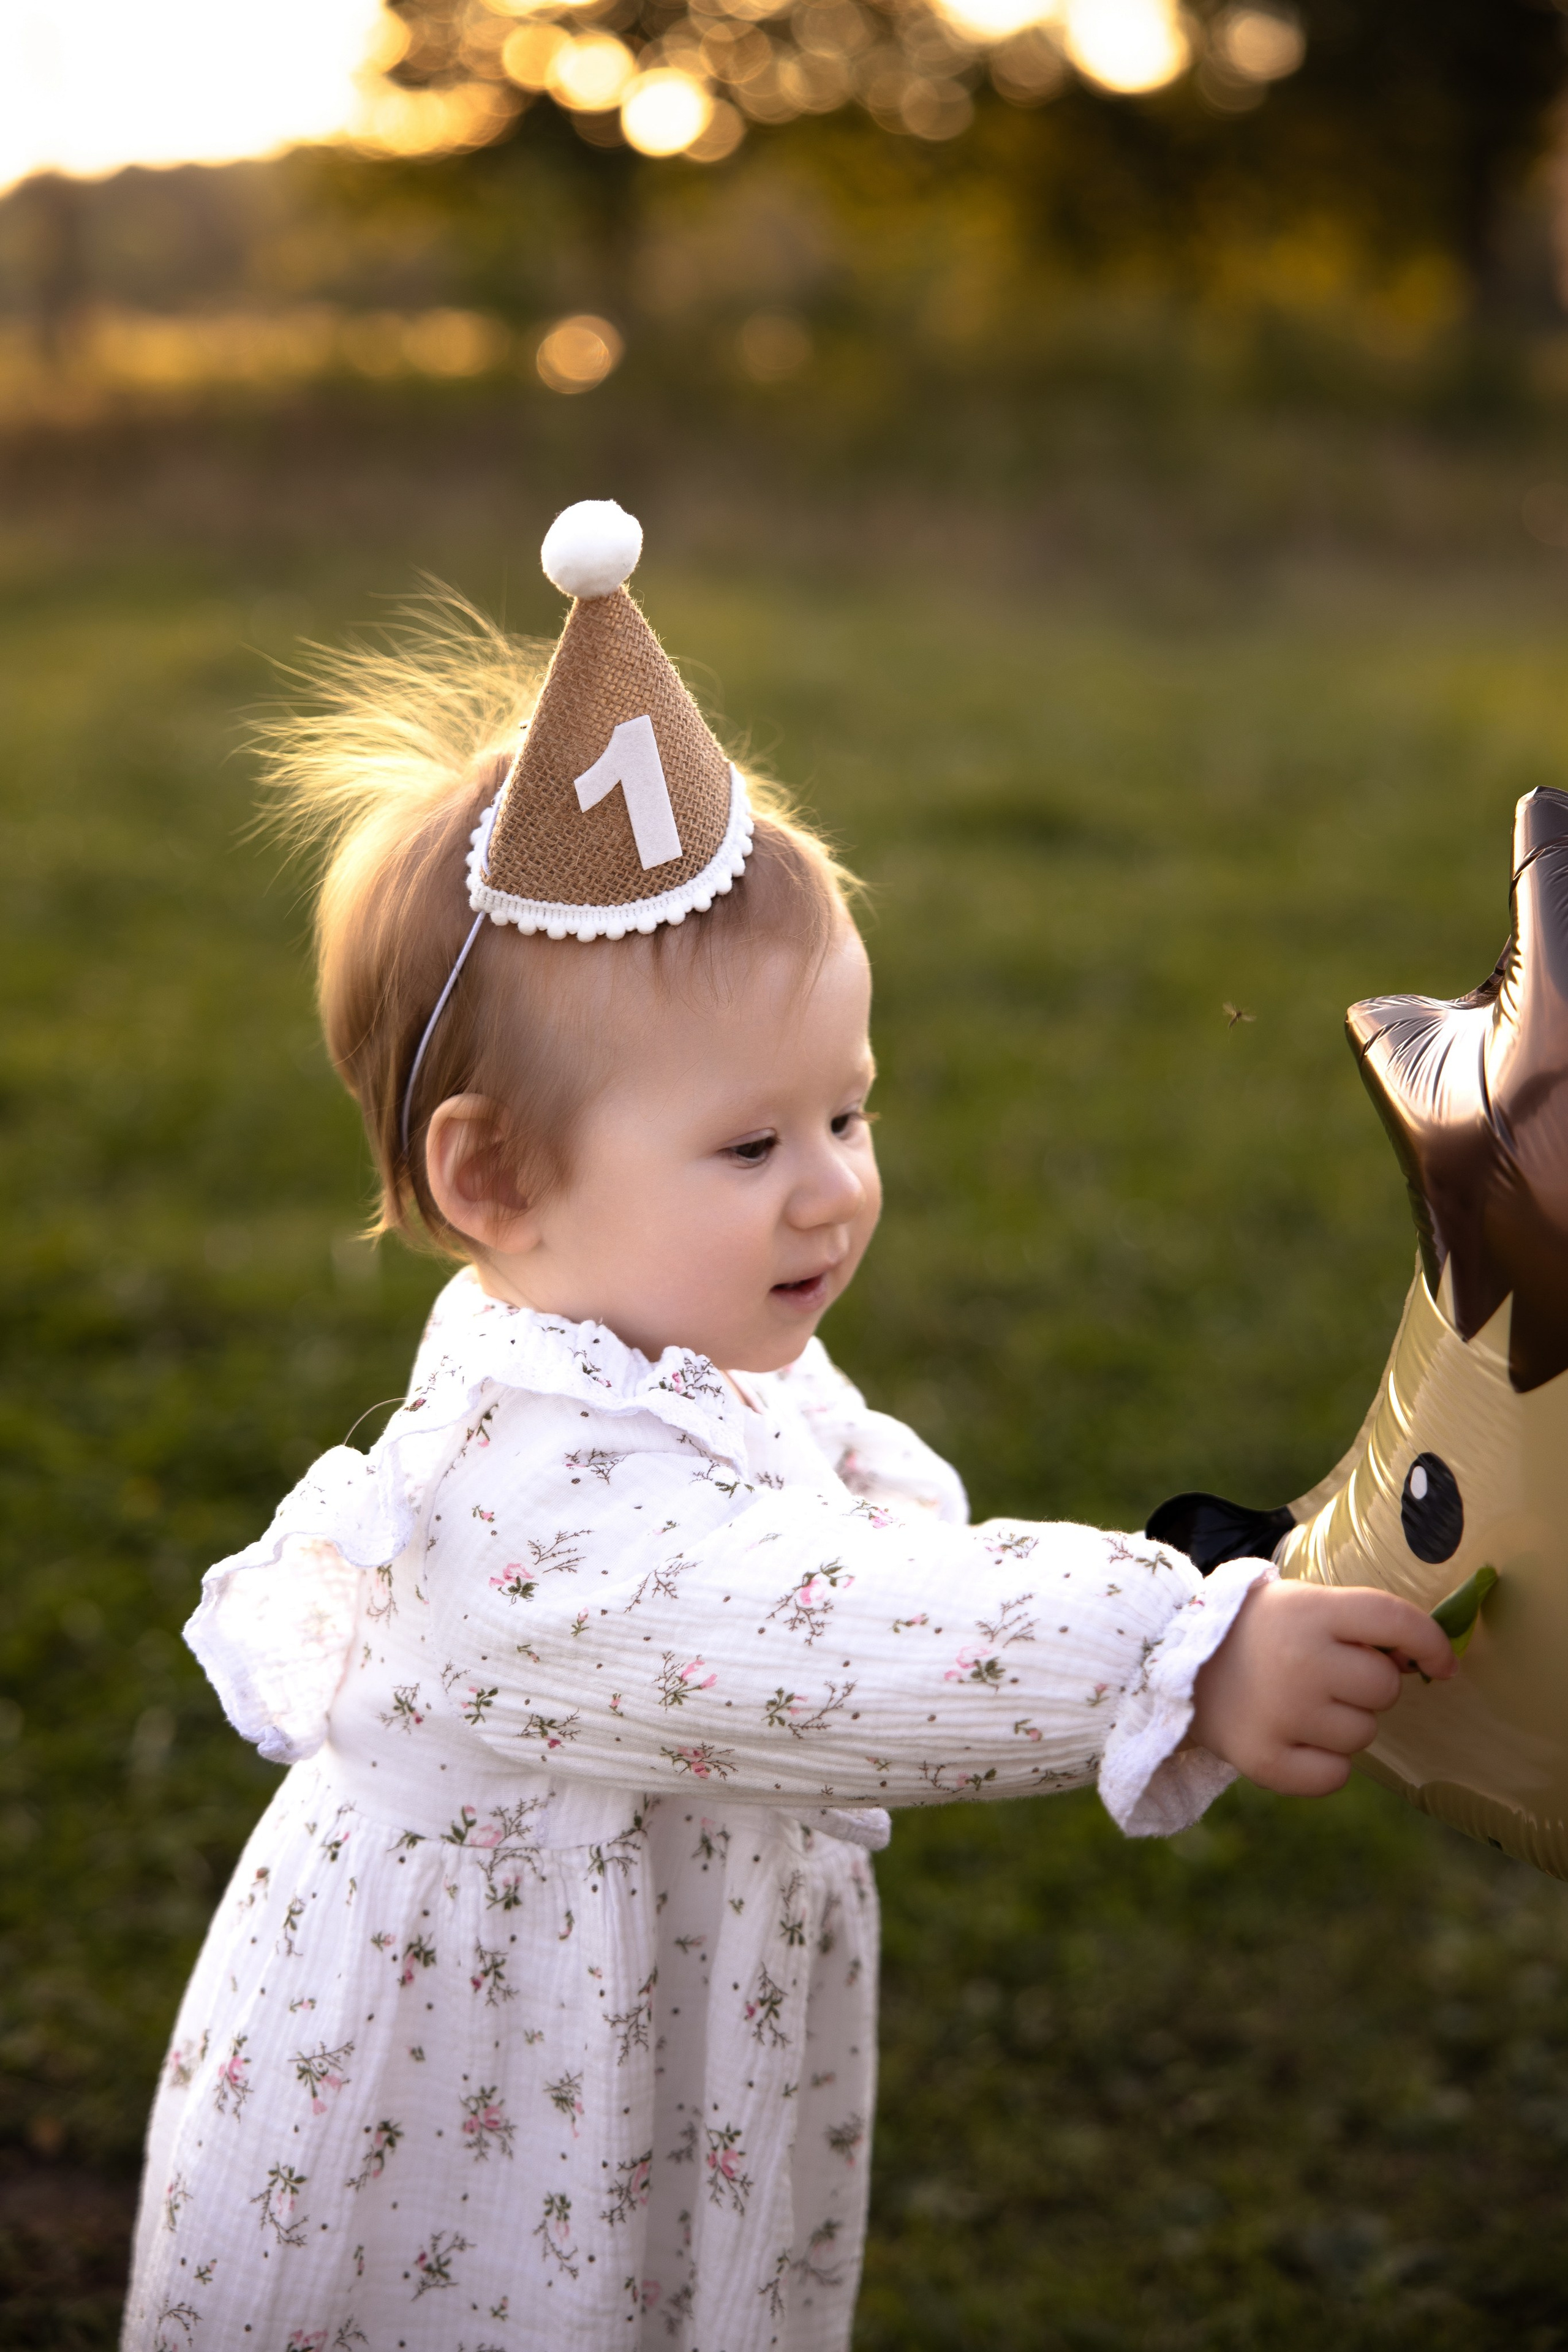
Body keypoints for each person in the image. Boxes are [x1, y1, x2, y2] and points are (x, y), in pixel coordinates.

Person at [121, 502, 1453, 2352]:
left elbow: (877, 1552)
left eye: (853, 1112)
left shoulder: (689, 1357)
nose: (831, 1191)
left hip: (657, 2059)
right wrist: (1179, 1649)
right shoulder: (525, 1505)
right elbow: (845, 1635)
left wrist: (1231, 1578)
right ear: (497, 1178)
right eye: (752, 1145)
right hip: (477, 2122)